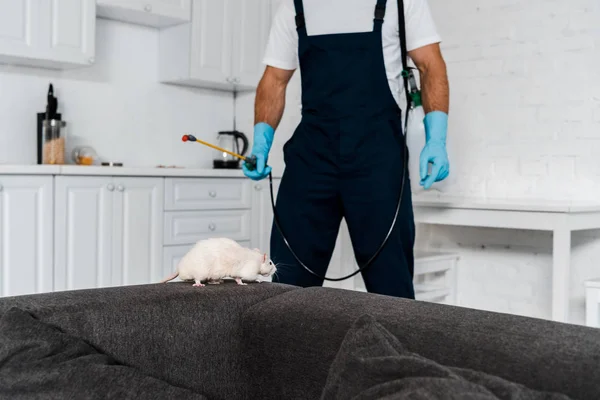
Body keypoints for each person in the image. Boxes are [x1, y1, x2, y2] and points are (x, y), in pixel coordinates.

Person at [242, 0, 449, 299]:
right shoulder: (295, 6)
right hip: (311, 158)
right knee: (286, 284)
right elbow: (274, 79)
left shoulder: (400, 3)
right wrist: (261, 141)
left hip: (378, 160)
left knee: (392, 287)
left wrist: (436, 139)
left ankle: (395, 348)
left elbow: (431, 65)